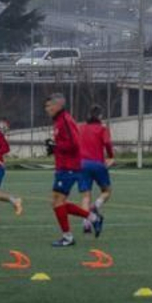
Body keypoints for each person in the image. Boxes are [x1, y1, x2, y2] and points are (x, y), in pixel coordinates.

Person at [45, 93, 101, 247]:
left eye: (49, 106)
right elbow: (65, 143)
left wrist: (56, 147)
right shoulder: (59, 121)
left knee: (57, 202)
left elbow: (75, 144)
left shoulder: (65, 120)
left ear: (58, 106)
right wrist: (54, 147)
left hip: (69, 167)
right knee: (57, 202)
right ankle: (93, 218)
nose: (47, 109)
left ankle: (68, 237)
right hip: (63, 166)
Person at [77, 105, 115, 233]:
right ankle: (95, 206)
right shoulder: (102, 129)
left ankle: (86, 223)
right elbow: (107, 143)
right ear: (100, 116)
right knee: (107, 191)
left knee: (85, 196)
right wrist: (111, 156)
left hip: (82, 164)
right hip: (98, 164)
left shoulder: (81, 128)